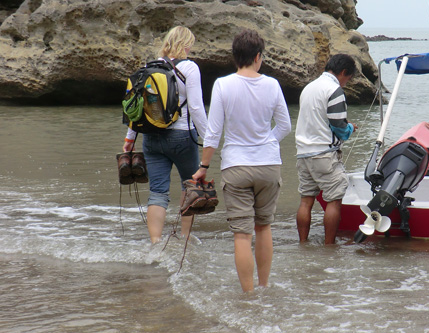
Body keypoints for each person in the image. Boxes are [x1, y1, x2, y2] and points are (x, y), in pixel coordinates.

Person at [192, 29, 291, 292]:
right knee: (264, 227)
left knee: (242, 235)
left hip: (236, 166)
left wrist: (203, 167)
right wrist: (267, 141)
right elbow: (284, 126)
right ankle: (264, 286)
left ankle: (248, 296)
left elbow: (213, 132)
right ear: (258, 56)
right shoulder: (272, 85)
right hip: (269, 165)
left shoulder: (223, 84)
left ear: (235, 56)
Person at [123, 25, 208, 244]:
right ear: (186, 45)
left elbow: (137, 107)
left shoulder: (148, 67)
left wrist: (130, 138)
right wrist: (209, 139)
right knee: (189, 187)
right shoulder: (189, 68)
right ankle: (185, 236)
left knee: (157, 192)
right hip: (182, 137)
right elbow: (197, 109)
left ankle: (155, 243)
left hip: (151, 137)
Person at [295, 54, 357, 245]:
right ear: (344, 72)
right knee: (334, 199)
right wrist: (350, 129)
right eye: (348, 78)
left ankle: (303, 243)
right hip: (323, 154)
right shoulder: (334, 90)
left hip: (303, 153)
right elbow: (338, 124)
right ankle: (329, 246)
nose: (347, 82)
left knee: (306, 201)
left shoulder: (308, 88)